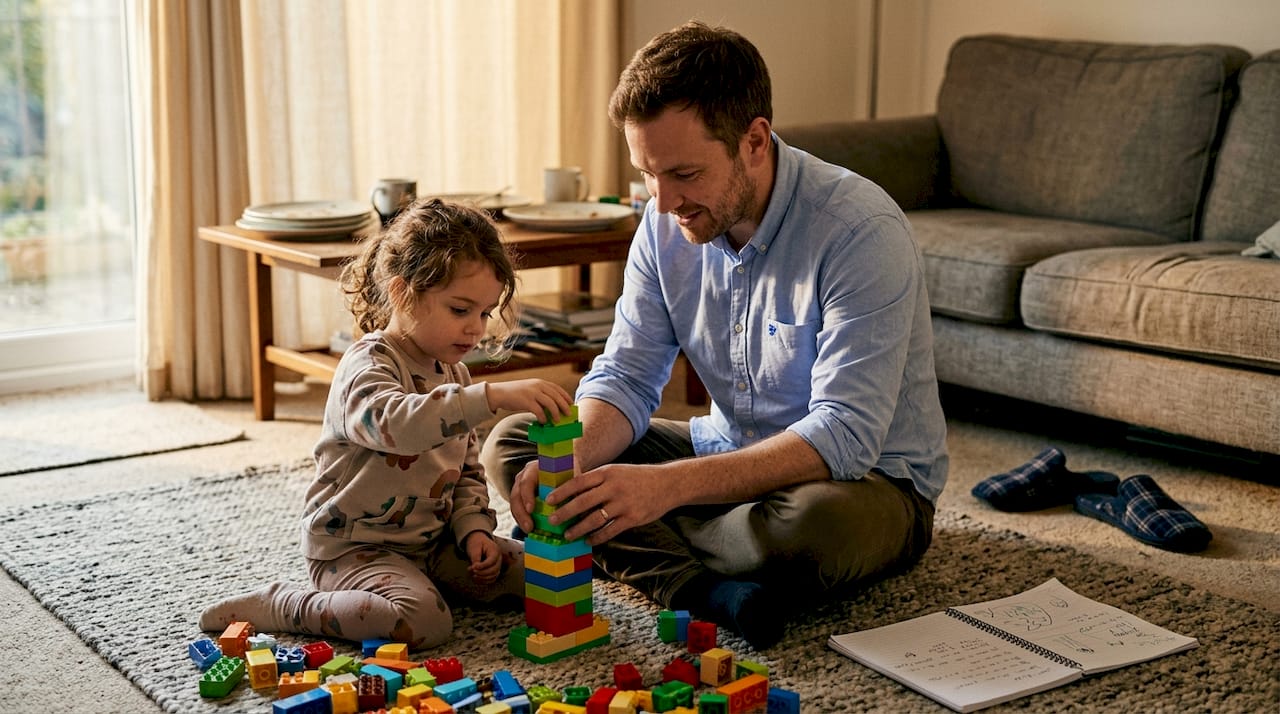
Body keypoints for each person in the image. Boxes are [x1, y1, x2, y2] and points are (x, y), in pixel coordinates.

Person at [480, 21, 948, 650]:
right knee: (519, 445)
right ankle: (699, 582)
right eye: (648, 174)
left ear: (754, 141)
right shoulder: (663, 222)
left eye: (684, 173)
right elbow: (627, 377)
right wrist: (578, 461)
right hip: (722, 449)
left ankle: (619, 533)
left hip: (866, 484)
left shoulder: (859, 231)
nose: (663, 201)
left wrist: (665, 488)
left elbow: (845, 435)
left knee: (811, 531)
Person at [201, 198, 573, 649]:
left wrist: (473, 528)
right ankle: (282, 605)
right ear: (401, 293)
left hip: (433, 543)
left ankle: (432, 579)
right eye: (460, 310)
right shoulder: (366, 364)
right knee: (424, 623)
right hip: (353, 548)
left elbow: (466, 470)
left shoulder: (455, 374)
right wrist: (491, 397)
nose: (476, 329)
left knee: (547, 576)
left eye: (484, 313)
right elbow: (396, 425)